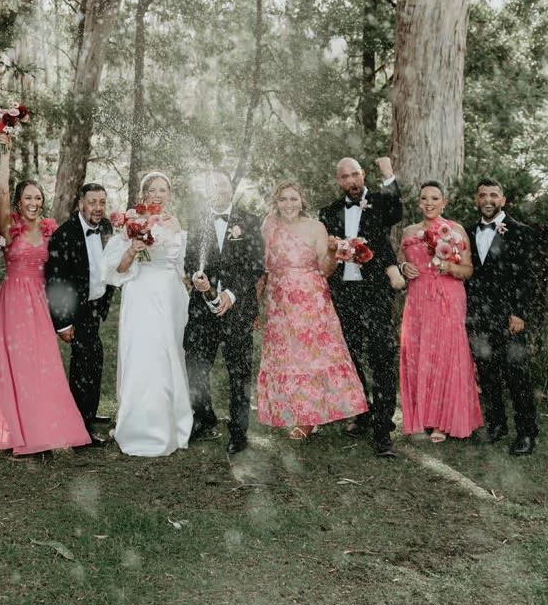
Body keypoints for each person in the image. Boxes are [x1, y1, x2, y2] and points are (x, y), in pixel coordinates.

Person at [0, 134, 90, 456]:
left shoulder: (50, 230)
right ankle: (18, 432)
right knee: (16, 365)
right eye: (28, 197)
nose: (33, 202)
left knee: (43, 366)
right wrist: (5, 153)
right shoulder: (7, 226)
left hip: (40, 302)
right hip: (13, 301)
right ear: (17, 201)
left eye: (38, 198)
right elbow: (1, 191)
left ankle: (42, 430)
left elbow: (62, 269)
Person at [257, 181, 368, 440]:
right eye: (283, 199)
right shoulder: (268, 226)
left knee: (310, 357)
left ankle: (309, 418)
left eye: (293, 199)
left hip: (310, 301)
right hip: (278, 301)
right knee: (287, 358)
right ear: (276, 202)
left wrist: (333, 252)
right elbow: (261, 268)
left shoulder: (316, 227)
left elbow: (326, 269)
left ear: (302, 202)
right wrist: (256, 304)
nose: (288, 204)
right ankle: (294, 411)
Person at [101, 171, 193, 457]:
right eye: (152, 190)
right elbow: (118, 269)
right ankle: (139, 424)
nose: (157, 195)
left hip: (170, 295)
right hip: (140, 293)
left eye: (163, 190)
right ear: (143, 194)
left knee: (168, 353)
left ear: (169, 194)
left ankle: (172, 422)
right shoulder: (131, 222)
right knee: (142, 353)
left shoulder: (175, 223)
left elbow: (182, 265)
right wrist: (132, 249)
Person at [319, 157, 404, 457]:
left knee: (382, 354)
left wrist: (388, 174)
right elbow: (324, 251)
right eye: (345, 177)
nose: (352, 181)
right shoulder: (328, 212)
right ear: (338, 180)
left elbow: (396, 211)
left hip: (376, 292)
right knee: (349, 355)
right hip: (343, 294)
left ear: (363, 175)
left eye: (355, 175)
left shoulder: (379, 202)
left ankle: (383, 427)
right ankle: (362, 411)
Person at [184, 170, 265, 455]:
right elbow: (190, 260)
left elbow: (256, 265)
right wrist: (197, 279)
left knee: (239, 372)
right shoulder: (197, 221)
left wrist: (231, 294)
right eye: (212, 186)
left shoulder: (250, 221)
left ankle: (239, 431)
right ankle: (203, 416)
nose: (218, 190)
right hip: (202, 309)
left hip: (238, 309)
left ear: (232, 189)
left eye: (222, 185)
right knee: (196, 364)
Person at [398, 181, 483, 443]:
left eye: (435, 198)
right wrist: (404, 268)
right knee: (419, 353)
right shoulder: (409, 231)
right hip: (418, 299)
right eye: (424, 198)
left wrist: (450, 267)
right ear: (419, 203)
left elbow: (468, 270)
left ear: (444, 202)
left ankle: (443, 421)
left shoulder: (455, 230)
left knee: (446, 354)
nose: (429, 203)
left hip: (448, 296)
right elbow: (401, 261)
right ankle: (423, 416)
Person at [467, 178, 538, 456]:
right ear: (477, 199)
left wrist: (519, 312)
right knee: (487, 373)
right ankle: (496, 425)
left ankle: (527, 432)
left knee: (517, 375)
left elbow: (526, 276)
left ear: (503, 200)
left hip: (509, 317)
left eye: (493, 195)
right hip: (478, 316)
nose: (488, 200)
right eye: (483, 195)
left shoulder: (520, 231)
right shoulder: (467, 232)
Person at [44, 183, 114, 447]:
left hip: (95, 306)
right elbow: (55, 281)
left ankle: (87, 413)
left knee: (92, 360)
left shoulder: (106, 227)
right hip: (77, 309)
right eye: (92, 202)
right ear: (80, 204)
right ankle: (81, 428)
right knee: (86, 363)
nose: (98, 207)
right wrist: (63, 322)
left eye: (102, 202)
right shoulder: (64, 234)